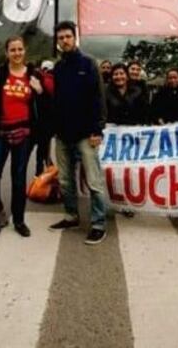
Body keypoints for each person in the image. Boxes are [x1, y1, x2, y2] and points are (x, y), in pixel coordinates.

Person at [0, 36, 46, 238]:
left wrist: (39, 91)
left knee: (19, 179)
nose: (17, 53)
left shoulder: (33, 74)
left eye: (20, 49)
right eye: (13, 50)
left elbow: (45, 105)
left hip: (24, 134)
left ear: (25, 51)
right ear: (7, 53)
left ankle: (19, 221)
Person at [49, 20, 109, 245]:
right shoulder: (58, 68)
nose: (64, 40)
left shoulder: (89, 63)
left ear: (75, 38)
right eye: (61, 37)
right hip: (63, 134)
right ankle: (71, 215)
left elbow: (98, 99)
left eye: (68, 36)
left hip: (86, 134)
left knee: (94, 181)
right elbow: (56, 100)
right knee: (65, 180)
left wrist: (97, 129)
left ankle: (98, 224)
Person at [33, 59, 56, 175]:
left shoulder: (40, 79)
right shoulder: (55, 80)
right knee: (44, 150)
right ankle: (47, 172)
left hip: (40, 121)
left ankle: (40, 175)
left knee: (41, 152)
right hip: (50, 122)